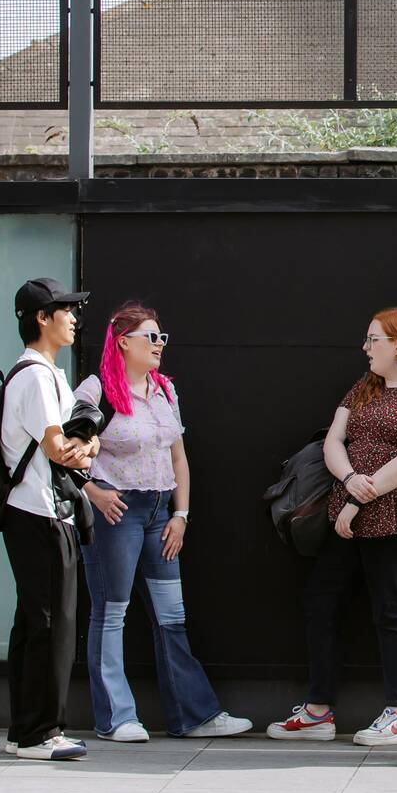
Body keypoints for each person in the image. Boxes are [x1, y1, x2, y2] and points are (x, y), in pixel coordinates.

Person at [268, 307, 397, 746]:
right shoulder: (365, 387)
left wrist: (355, 498)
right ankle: (318, 712)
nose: (366, 347)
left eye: (374, 339)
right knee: (321, 599)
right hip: (349, 511)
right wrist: (350, 479)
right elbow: (333, 440)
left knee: (394, 610)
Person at [73, 302, 253, 743]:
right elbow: (67, 455)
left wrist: (181, 515)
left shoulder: (165, 391)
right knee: (111, 613)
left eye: (161, 338)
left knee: (172, 616)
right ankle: (116, 718)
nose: (159, 345)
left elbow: (178, 457)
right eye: (151, 337)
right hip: (116, 513)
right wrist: (94, 492)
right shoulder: (95, 392)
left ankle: (193, 715)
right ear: (123, 342)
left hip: (159, 514)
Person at [0, 277, 98, 762]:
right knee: (51, 623)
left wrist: (86, 445)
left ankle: (25, 729)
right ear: (42, 318)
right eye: (66, 309)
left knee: (34, 621)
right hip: (40, 511)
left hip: (35, 511)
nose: (74, 318)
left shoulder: (42, 374)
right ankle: (42, 733)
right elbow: (58, 448)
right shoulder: (37, 376)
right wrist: (89, 448)